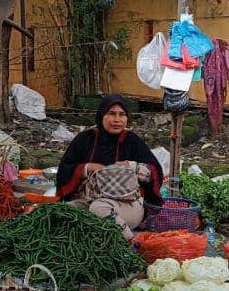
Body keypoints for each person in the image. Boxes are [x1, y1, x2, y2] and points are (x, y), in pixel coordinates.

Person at [56, 94, 163, 239]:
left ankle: (130, 244)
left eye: (122, 115)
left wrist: (131, 166)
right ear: (102, 115)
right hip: (88, 199)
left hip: (127, 204)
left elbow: (154, 172)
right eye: (111, 114)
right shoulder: (85, 139)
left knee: (100, 208)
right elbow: (64, 170)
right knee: (61, 212)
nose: (117, 120)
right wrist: (86, 168)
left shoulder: (132, 141)